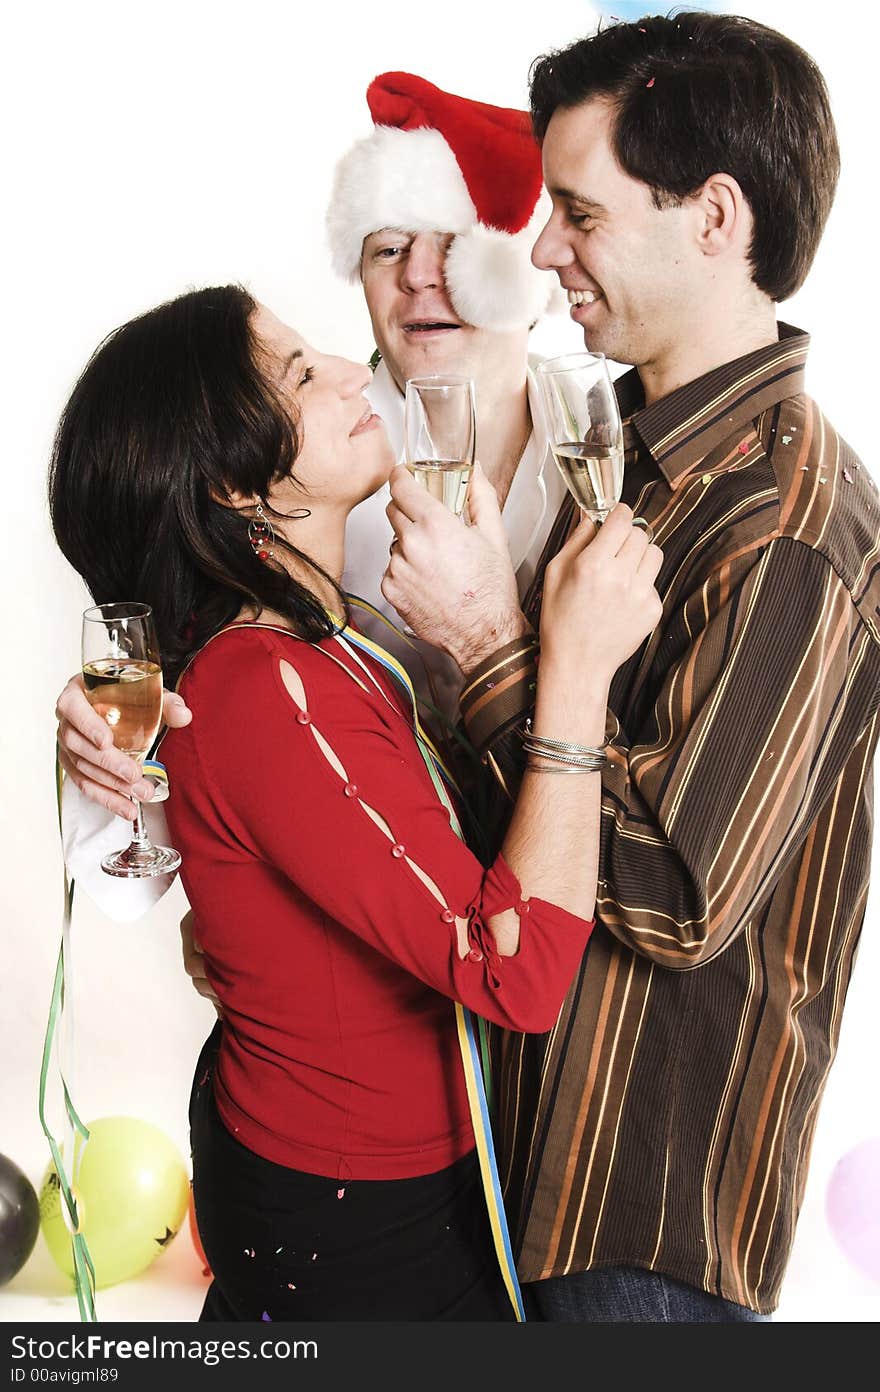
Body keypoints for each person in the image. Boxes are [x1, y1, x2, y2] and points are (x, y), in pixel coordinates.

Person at [378, 12, 880, 1322]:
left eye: (577, 214)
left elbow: (673, 891)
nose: (540, 250)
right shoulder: (637, 464)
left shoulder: (787, 527)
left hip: (636, 1220)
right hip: (520, 1173)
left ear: (714, 218)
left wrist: (493, 650)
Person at [48, 284, 662, 1320]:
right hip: (353, 1206)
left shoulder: (323, 637)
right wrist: (573, 677)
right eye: (298, 371)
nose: (347, 369)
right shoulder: (272, 684)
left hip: (357, 1168)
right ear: (236, 487)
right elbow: (510, 972)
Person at [54, 71, 569, 913]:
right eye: (386, 249)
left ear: (520, 266)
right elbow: (142, 840)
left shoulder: (610, 452)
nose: (417, 277)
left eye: (450, 242)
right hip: (398, 954)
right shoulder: (299, 467)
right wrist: (102, 741)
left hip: (575, 956)